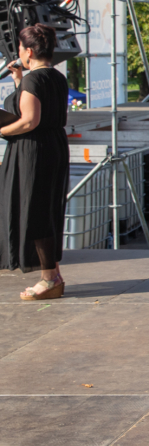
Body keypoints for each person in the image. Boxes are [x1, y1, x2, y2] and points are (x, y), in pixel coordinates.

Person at [0, 23, 70, 299]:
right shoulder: (55, 77)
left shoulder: (34, 80)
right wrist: (19, 80)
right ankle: (53, 274)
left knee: (36, 210)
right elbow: (33, 106)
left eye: (20, 47)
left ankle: (49, 279)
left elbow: (29, 120)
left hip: (34, 150)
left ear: (28, 51)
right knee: (46, 208)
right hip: (53, 145)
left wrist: (2, 131)